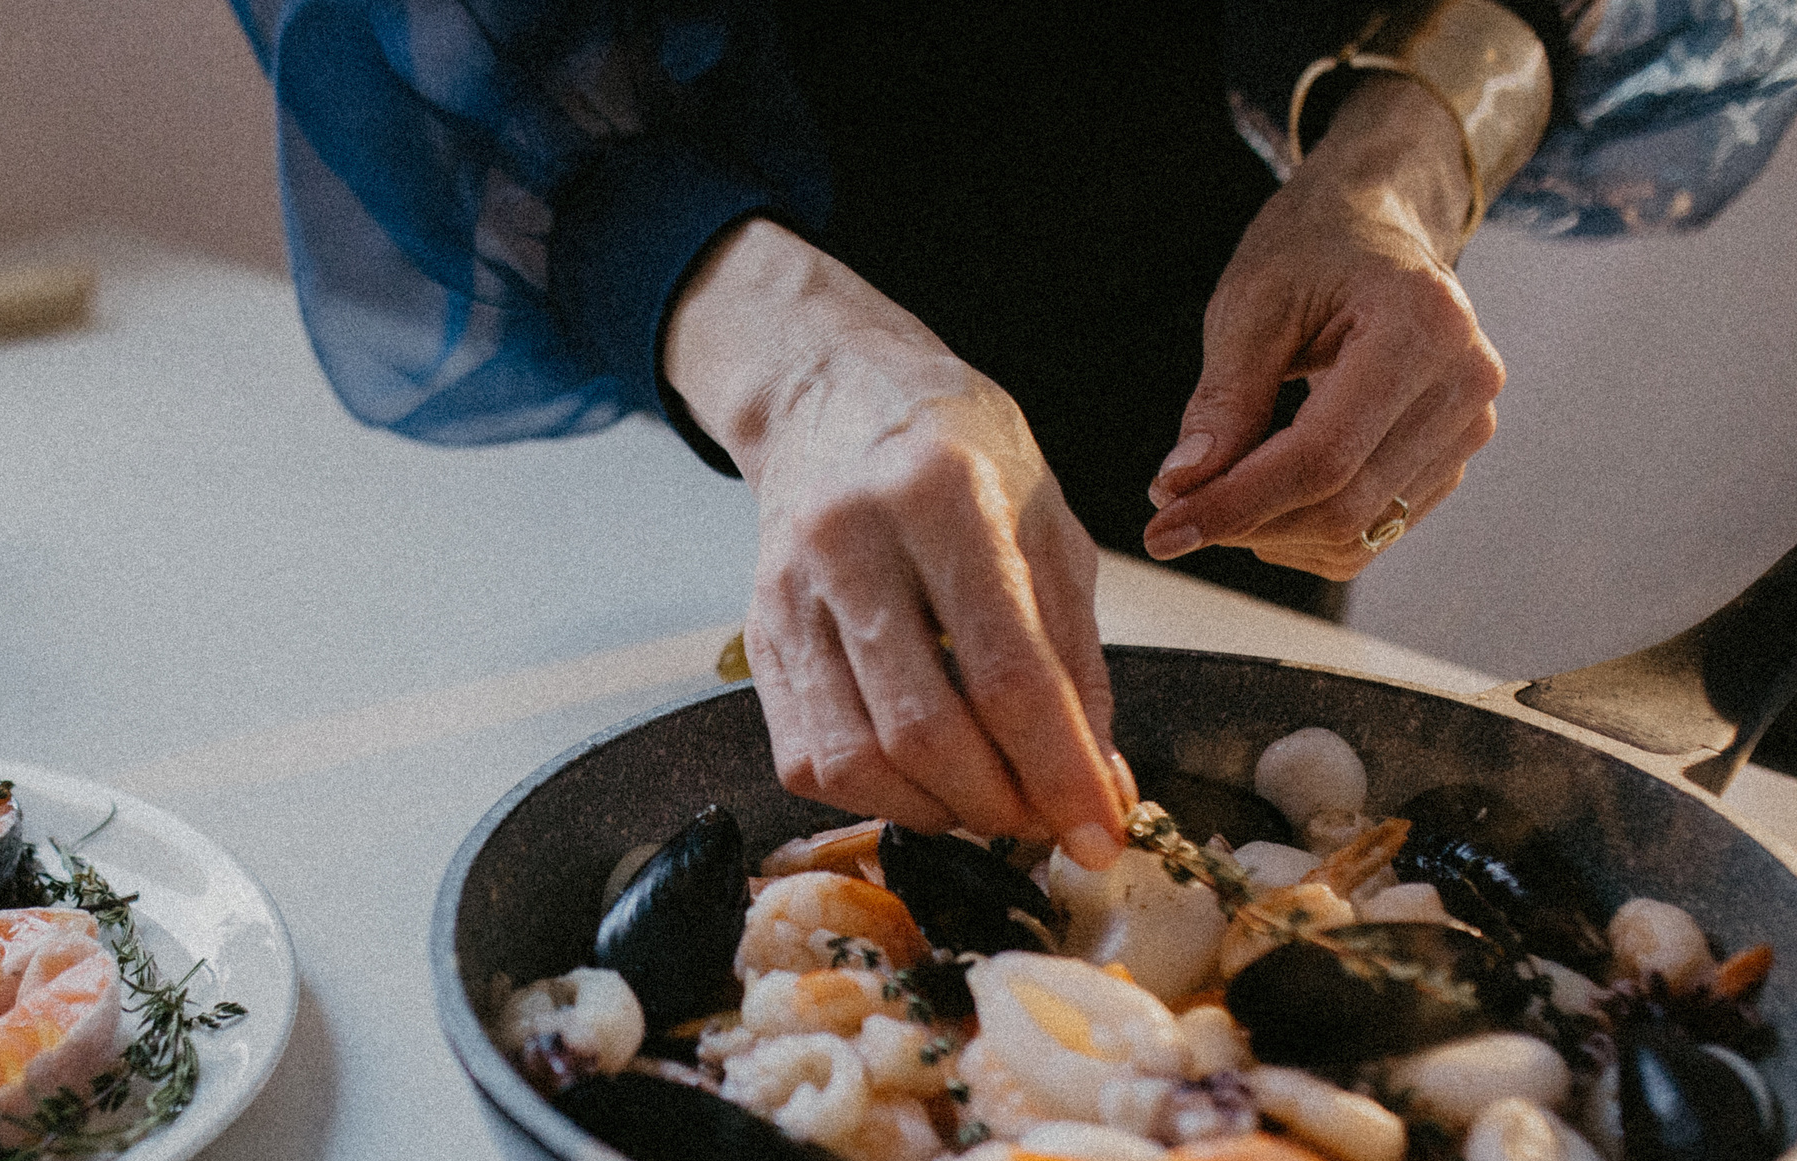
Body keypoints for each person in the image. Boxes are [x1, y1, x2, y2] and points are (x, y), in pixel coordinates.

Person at [229, 0, 1797, 868]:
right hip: (679, 335)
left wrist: (1397, 170)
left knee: (1210, 821)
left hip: (1197, 300)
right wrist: (791, 375)